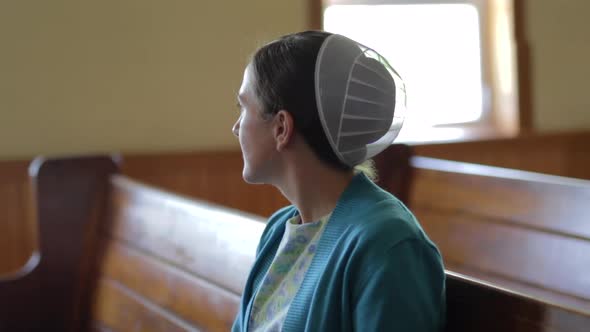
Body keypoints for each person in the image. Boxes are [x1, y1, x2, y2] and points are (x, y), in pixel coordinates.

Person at [231, 30, 445, 332]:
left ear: (281, 128)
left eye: (243, 107)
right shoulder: (279, 229)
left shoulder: (388, 243)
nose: (236, 126)